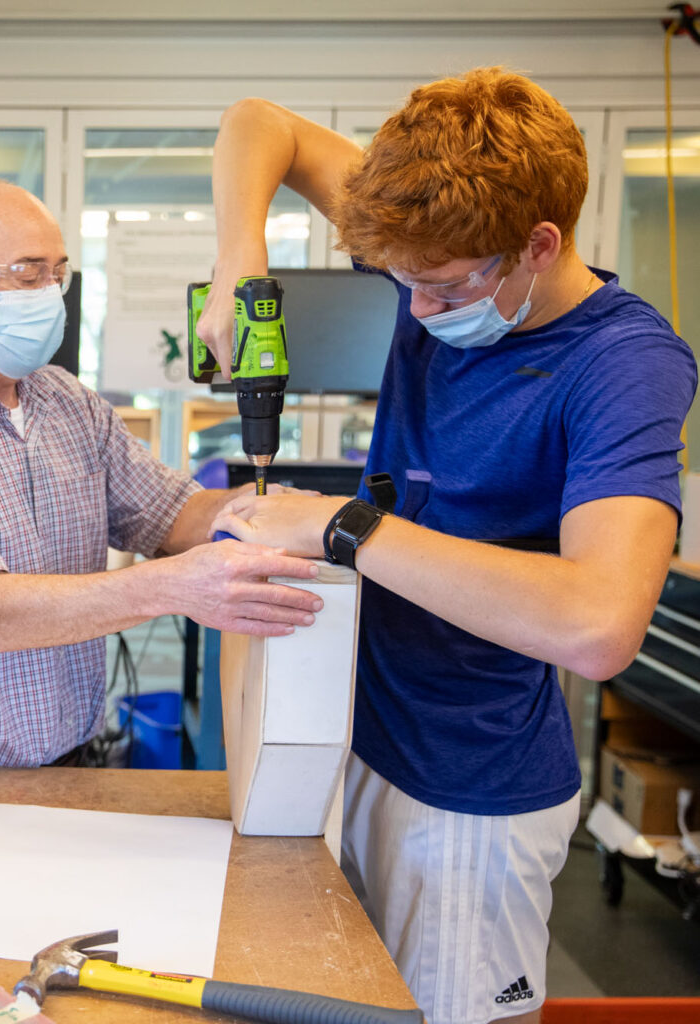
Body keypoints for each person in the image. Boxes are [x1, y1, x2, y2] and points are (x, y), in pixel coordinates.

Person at [202, 69, 696, 1024]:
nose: (417, 313)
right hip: (357, 741)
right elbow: (259, 123)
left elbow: (599, 625)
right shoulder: (435, 231)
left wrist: (344, 525)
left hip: (468, 793)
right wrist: (239, 261)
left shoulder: (623, 364)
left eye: (439, 287)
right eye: (403, 284)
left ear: (538, 244)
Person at [0, 177, 325, 768]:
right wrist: (175, 586)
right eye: (27, 275)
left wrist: (260, 508)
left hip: (73, 760)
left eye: (57, 274)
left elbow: (169, 513)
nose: (50, 294)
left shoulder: (67, 402)